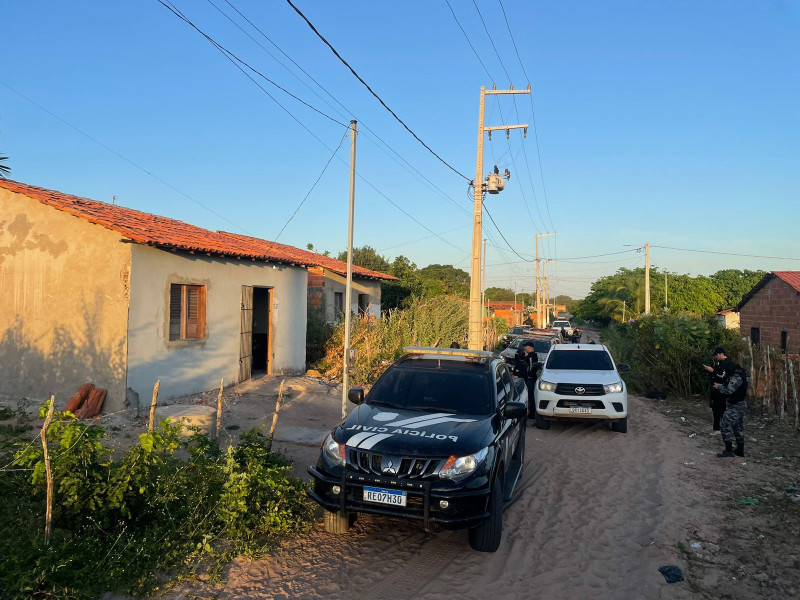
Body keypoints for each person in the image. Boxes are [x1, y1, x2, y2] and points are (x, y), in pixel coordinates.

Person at [710, 348, 748, 458]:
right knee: (738, 427)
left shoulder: (736, 375)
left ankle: (729, 450)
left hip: (736, 405)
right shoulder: (739, 373)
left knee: (725, 425)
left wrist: (719, 387)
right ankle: (740, 450)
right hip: (738, 404)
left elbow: (729, 390)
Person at [703, 347, 730, 435]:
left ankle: (722, 429)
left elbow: (723, 377)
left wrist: (713, 371)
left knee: (720, 409)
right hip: (716, 390)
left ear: (720, 354)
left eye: (716, 355)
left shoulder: (727, 363)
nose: (715, 357)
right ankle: (717, 428)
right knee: (716, 409)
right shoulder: (719, 363)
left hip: (722, 391)